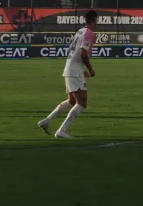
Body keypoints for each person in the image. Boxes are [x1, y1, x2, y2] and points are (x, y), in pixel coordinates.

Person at [38, 10, 98, 139]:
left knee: (72, 101)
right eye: (96, 20)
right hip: (74, 70)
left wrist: (82, 69)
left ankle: (46, 121)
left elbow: (72, 50)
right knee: (82, 103)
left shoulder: (80, 31)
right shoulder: (89, 33)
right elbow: (83, 53)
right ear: (93, 20)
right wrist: (90, 69)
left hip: (70, 68)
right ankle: (61, 131)